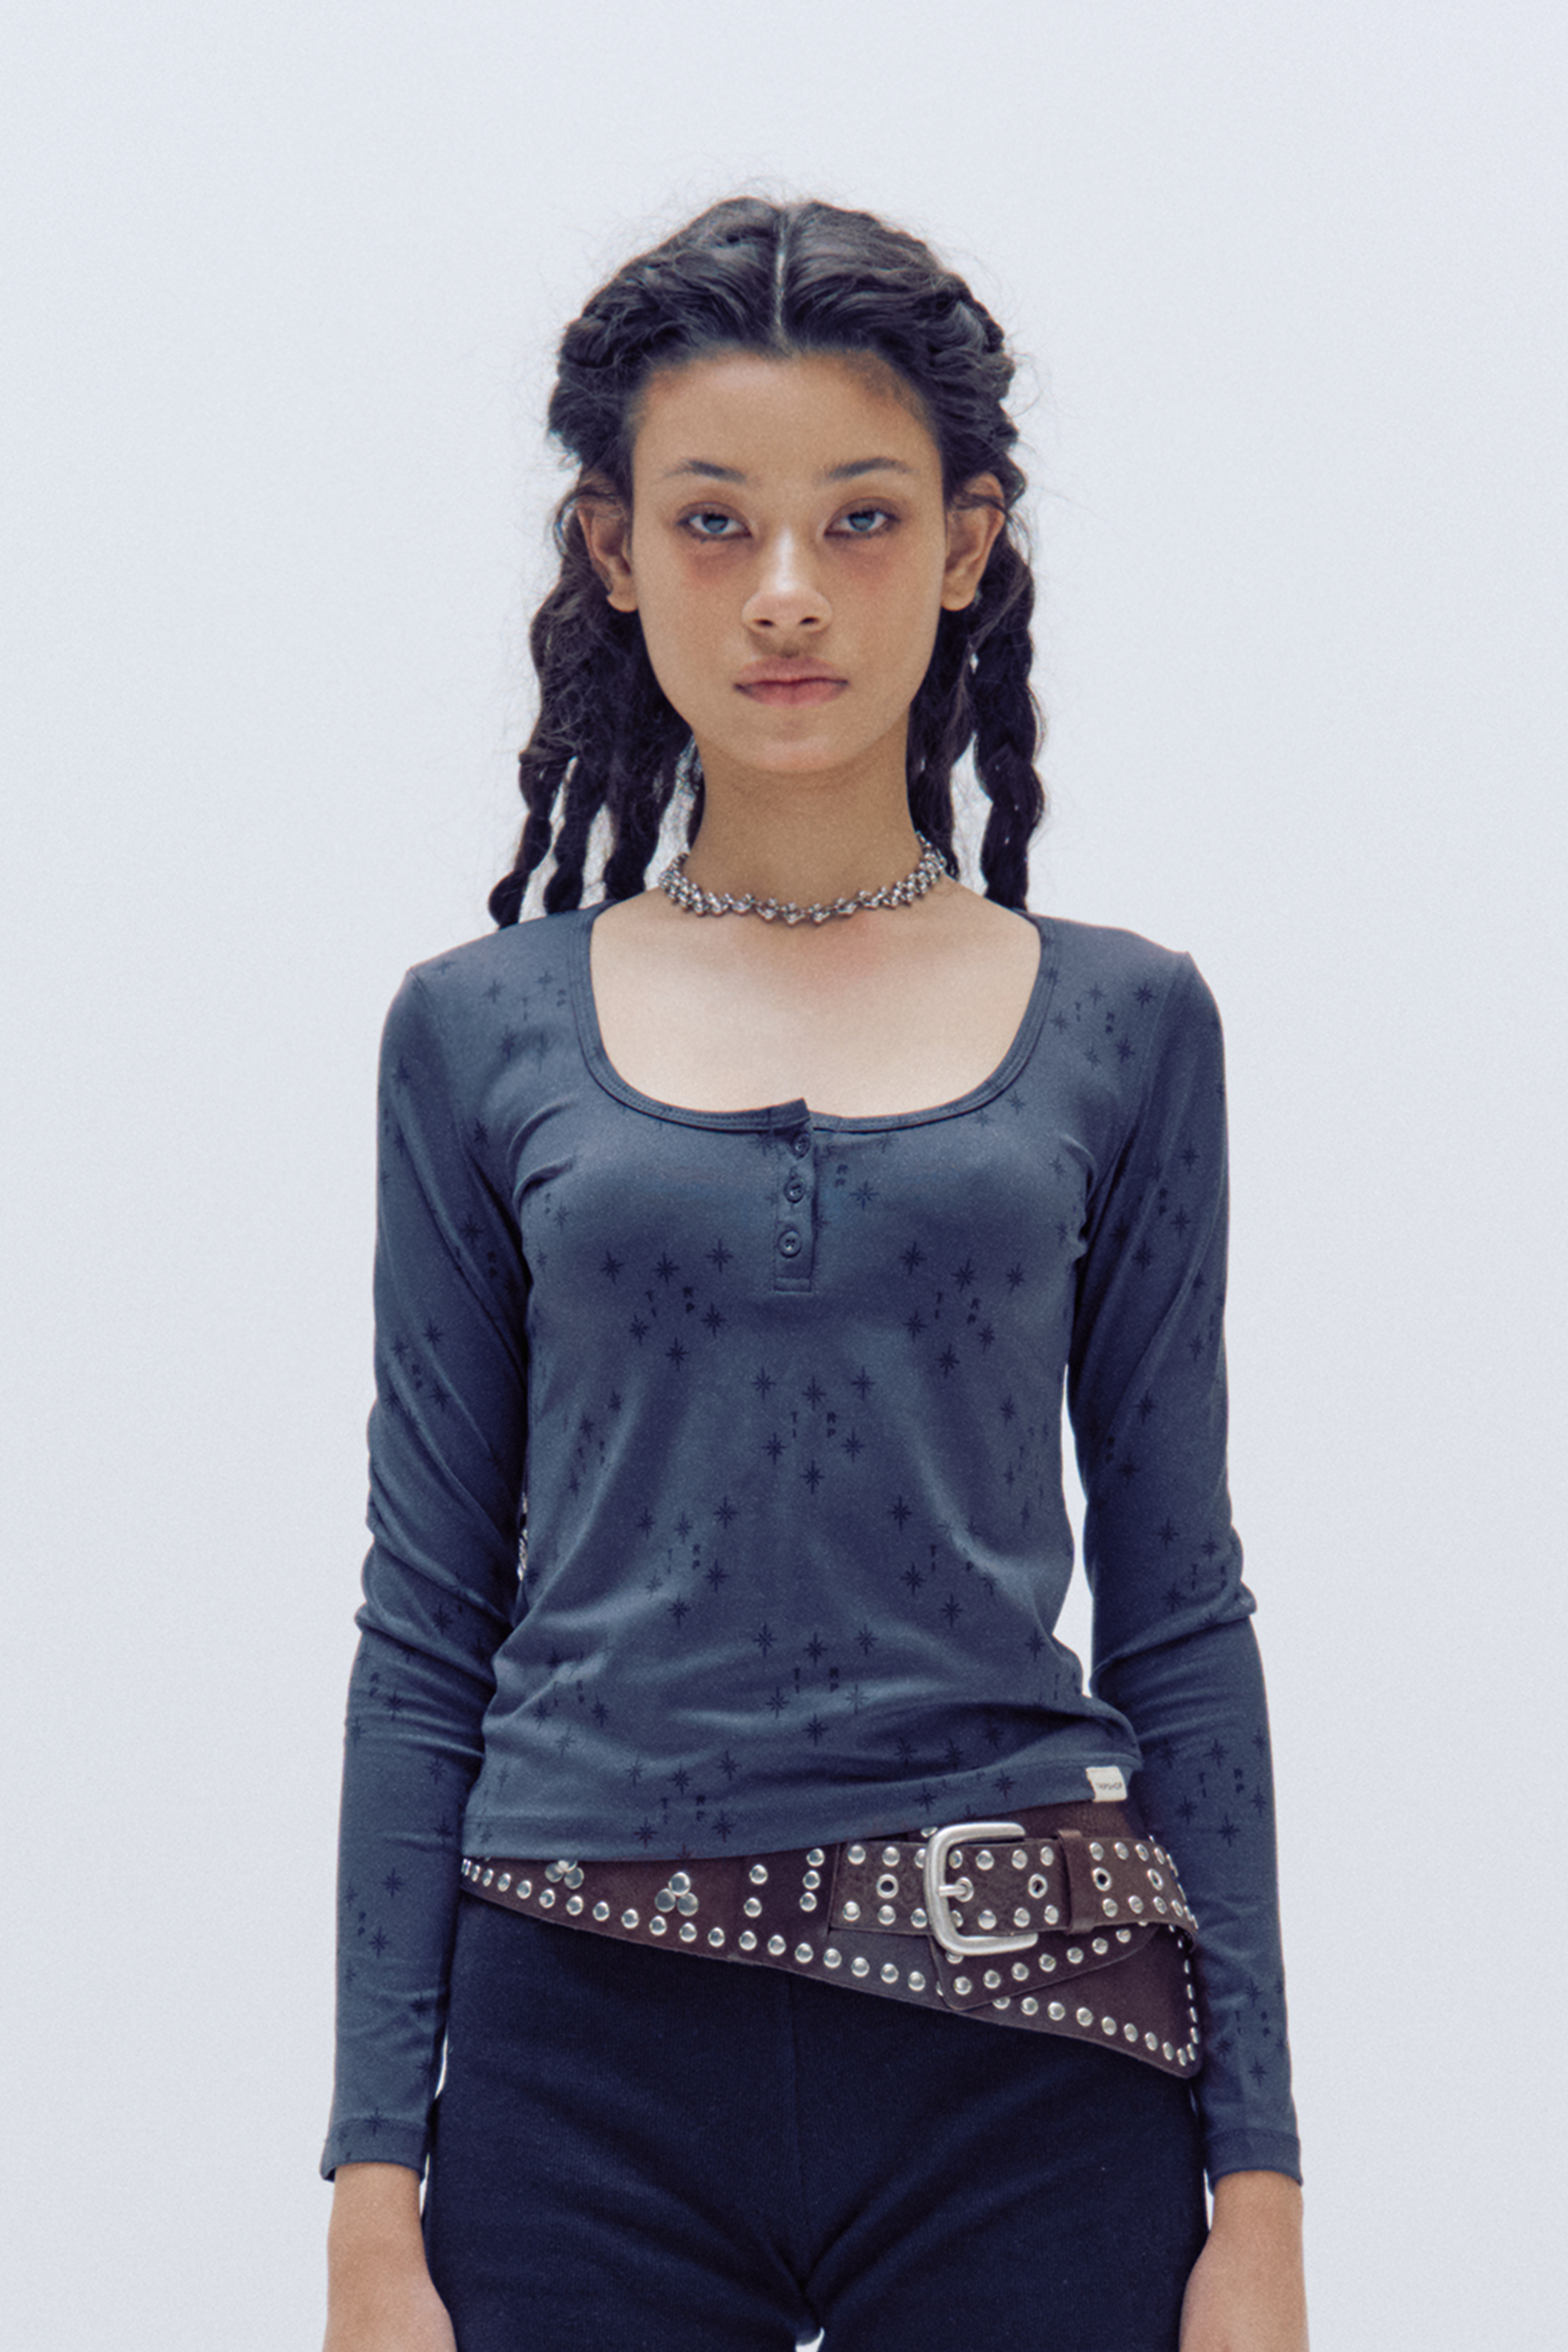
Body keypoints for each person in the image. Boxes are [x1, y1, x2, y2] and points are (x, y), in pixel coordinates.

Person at [321, 195, 1307, 2352]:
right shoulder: (476, 1035)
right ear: (614, 552)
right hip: (577, 2048)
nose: (786, 591)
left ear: (966, 545)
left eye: (860, 520)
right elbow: (422, 1627)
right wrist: (372, 2197)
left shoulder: (1126, 1025)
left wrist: (1261, 2192)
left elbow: (1181, 1612)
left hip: (1030, 2048)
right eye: (715, 522)